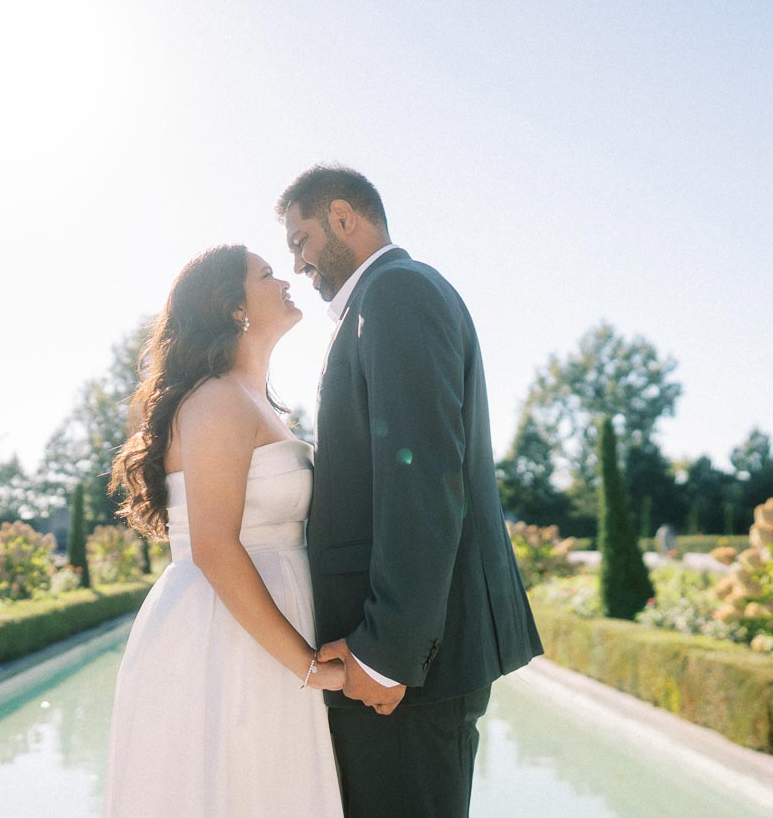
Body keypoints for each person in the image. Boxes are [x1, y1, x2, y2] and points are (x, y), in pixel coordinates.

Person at [277, 165, 544, 817]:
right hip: (401, 660)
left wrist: (386, 652)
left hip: (410, 668)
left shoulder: (396, 293)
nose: (298, 263)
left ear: (344, 218)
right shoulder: (380, 302)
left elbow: (420, 477)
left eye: (301, 239)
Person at [103, 244, 345, 817]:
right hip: (225, 628)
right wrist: (306, 666)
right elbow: (213, 545)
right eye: (266, 274)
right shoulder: (215, 400)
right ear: (234, 306)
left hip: (267, 622)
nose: (284, 279)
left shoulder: (255, 401)